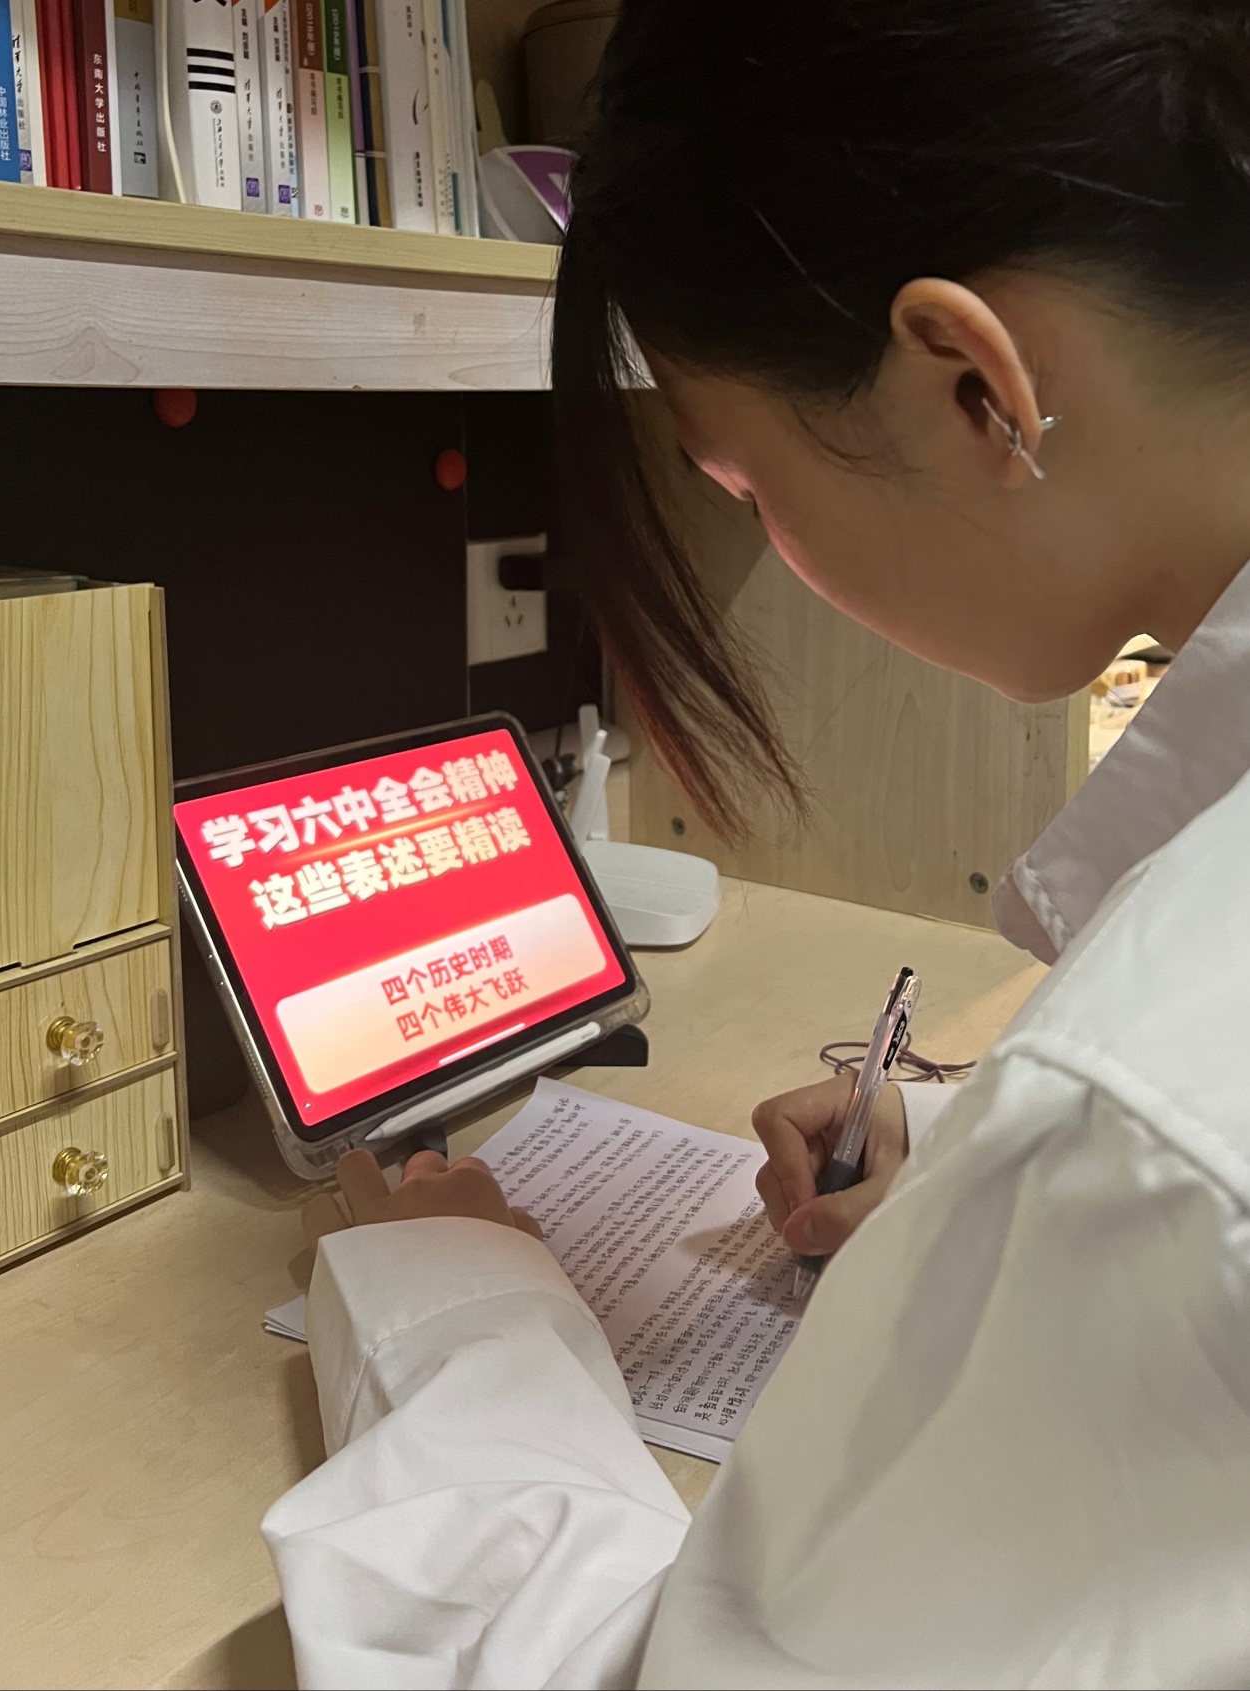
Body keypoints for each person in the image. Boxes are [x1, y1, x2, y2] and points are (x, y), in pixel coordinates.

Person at [262, 2, 1250, 1684]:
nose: (766, 538)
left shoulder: (1148, 1128)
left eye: (741, 482)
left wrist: (461, 1308)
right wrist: (980, 1156)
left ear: (975, 388)